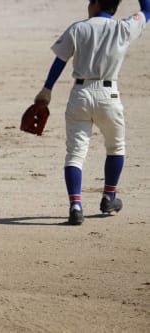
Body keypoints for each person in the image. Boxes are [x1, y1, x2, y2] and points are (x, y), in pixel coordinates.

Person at [34, 0, 149, 225]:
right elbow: (147, 9)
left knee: (75, 153)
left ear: (96, 3)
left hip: (80, 94)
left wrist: (47, 90)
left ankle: (75, 206)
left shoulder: (78, 28)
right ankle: (109, 196)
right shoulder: (124, 27)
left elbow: (60, 61)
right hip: (110, 95)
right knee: (116, 147)